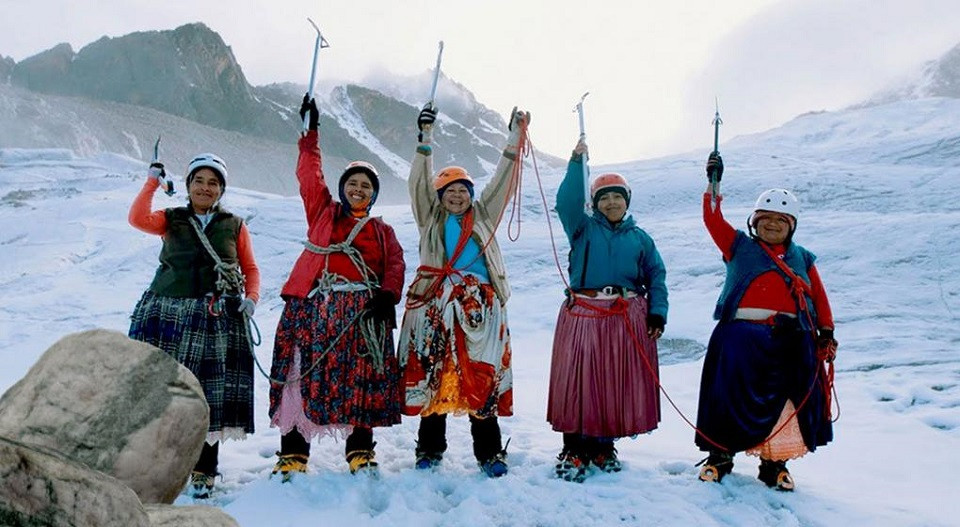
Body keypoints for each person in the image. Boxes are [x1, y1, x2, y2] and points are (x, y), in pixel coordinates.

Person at [268, 95, 405, 479]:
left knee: (361, 379)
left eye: (366, 186)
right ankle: (293, 454)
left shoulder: (382, 231)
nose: (358, 190)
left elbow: (395, 263)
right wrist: (310, 135)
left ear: (374, 194)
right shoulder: (323, 213)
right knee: (300, 375)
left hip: (362, 315)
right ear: (343, 187)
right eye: (353, 183)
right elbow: (310, 177)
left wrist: (387, 295)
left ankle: (360, 451)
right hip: (314, 307)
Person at [397, 104, 529, 478]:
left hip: (482, 310)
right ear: (439, 196)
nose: (457, 196)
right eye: (449, 191)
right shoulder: (431, 217)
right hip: (437, 304)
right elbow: (418, 183)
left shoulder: (483, 215)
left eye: (463, 190)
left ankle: (489, 452)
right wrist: (425, 139)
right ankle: (429, 448)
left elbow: (504, 179)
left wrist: (514, 138)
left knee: (480, 374)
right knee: (434, 372)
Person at [694, 152, 837, 491]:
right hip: (740, 338)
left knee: (786, 403)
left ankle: (775, 465)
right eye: (766, 218)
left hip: (791, 340)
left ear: (792, 225)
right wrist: (713, 184)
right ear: (754, 222)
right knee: (728, 397)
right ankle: (719, 458)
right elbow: (712, 220)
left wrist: (826, 331)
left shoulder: (803, 258)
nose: (772, 224)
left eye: (781, 220)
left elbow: (818, 295)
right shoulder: (738, 246)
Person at [128, 152, 260, 499]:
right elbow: (138, 218)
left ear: (221, 189)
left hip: (216, 320)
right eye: (199, 181)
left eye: (213, 182)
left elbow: (250, 268)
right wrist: (152, 182)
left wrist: (252, 299)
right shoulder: (171, 219)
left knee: (207, 396)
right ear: (187, 185)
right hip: (166, 316)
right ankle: (162, 469)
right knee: (164, 394)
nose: (205, 187)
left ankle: (204, 469)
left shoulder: (235, 225)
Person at [546, 137, 668, 483]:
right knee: (580, 380)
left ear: (626, 201)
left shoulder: (641, 238)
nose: (612, 202)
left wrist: (657, 312)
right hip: (584, 312)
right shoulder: (582, 228)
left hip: (625, 315)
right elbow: (566, 202)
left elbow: (656, 275)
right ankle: (574, 447)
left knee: (613, 381)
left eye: (617, 196)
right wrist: (575, 163)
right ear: (595, 203)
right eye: (605, 197)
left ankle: (603, 445)